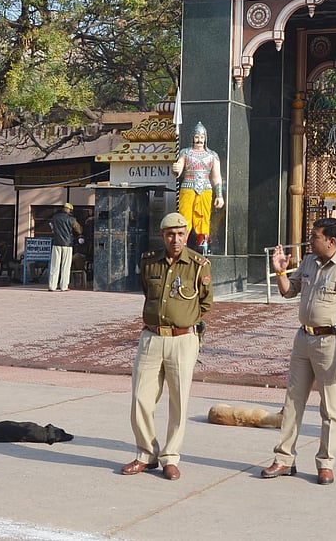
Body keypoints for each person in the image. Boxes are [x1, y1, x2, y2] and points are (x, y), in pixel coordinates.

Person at [262, 218, 336, 486]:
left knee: (330, 407)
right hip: (303, 340)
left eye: (315, 236)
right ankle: (284, 459)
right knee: (292, 401)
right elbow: (289, 292)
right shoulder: (309, 262)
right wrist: (280, 272)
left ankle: (326, 463)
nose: (310, 240)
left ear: (331, 241)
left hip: (331, 343)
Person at [121, 212, 212, 481]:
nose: (176, 239)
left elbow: (206, 302)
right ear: (162, 236)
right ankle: (146, 453)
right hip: (151, 338)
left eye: (181, 234)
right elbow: (147, 293)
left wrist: (185, 321)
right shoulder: (149, 262)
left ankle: (171, 457)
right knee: (140, 398)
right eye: (170, 234)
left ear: (187, 235)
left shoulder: (198, 265)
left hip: (182, 340)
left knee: (179, 400)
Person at [173, 122, 224, 254]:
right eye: (197, 137)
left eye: (202, 137)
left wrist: (219, 195)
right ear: (192, 137)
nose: (199, 140)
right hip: (188, 187)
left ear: (205, 138)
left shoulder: (212, 155)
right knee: (184, 218)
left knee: (203, 218)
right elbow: (179, 169)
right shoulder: (185, 152)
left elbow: (216, 177)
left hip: (205, 189)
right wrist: (176, 169)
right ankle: (182, 245)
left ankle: (203, 246)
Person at [48, 202, 81, 292]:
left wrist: (54, 231)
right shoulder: (71, 219)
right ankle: (64, 286)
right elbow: (78, 229)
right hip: (67, 244)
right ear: (70, 210)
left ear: (63, 209)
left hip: (56, 243)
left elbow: (50, 225)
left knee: (54, 265)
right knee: (65, 266)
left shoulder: (55, 217)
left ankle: (52, 286)